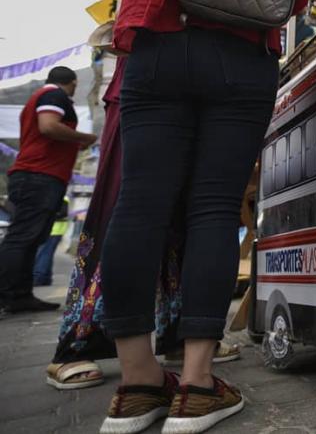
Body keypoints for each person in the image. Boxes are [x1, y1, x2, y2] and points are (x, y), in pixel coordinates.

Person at [95, 0, 310, 432]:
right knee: (215, 209)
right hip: (241, 60)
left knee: (139, 203)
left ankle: (137, 384)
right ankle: (195, 384)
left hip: (158, 48)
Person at [46, 58, 240, 392]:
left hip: (210, 82)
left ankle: (179, 335)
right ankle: (78, 342)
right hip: (149, 77)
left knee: (189, 215)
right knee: (126, 204)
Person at [0, 66, 96, 316]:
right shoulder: (54, 95)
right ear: (72, 82)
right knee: (22, 237)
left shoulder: (43, 97)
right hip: (39, 175)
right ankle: (7, 294)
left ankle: (20, 295)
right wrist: (83, 137)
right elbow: (49, 126)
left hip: (39, 176)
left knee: (31, 238)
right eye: (74, 86)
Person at [33, 197, 69, 286]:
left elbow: (62, 213)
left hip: (53, 230)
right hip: (54, 230)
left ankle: (39, 276)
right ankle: (46, 277)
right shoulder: (59, 196)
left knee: (44, 254)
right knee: (47, 254)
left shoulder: (60, 197)